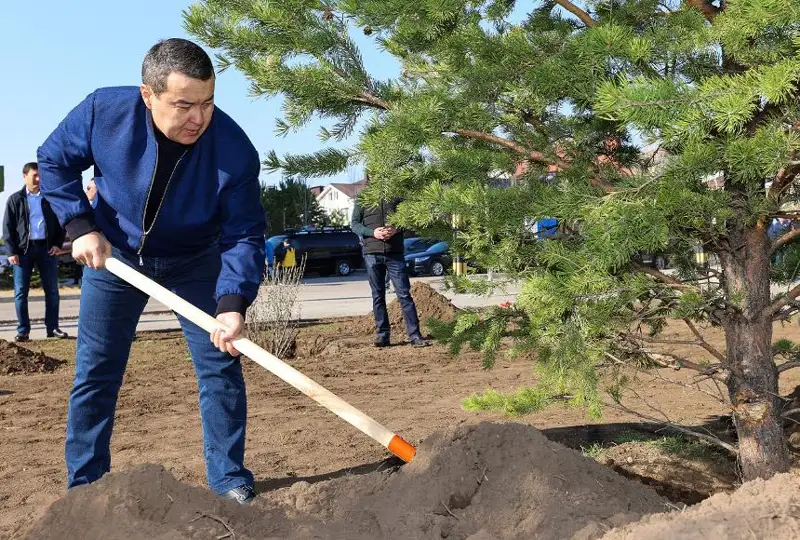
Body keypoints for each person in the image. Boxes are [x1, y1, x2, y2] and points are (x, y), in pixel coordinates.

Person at [37, 38, 265, 504]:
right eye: (183, 104)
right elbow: (54, 159)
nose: (197, 118)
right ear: (148, 95)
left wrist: (231, 304)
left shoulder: (235, 150)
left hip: (196, 260)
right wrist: (81, 226)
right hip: (115, 257)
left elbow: (243, 235)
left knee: (220, 365)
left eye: (207, 103)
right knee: (96, 371)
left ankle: (229, 480)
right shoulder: (105, 111)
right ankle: (86, 486)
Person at [351, 191, 428, 348]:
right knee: (378, 295)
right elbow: (354, 224)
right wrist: (373, 232)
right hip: (372, 253)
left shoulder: (397, 195)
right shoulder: (363, 196)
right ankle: (382, 335)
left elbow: (407, 220)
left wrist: (395, 229)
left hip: (395, 254)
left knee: (404, 294)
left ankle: (415, 335)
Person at [2, 162, 69, 342]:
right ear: (24, 177)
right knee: (21, 293)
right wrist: (11, 251)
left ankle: (53, 328)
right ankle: (23, 330)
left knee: (52, 291)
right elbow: (7, 228)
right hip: (23, 251)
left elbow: (60, 224)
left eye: (41, 176)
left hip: (47, 250)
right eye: (34, 176)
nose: (38, 179)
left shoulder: (49, 199)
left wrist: (57, 244)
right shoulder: (15, 199)